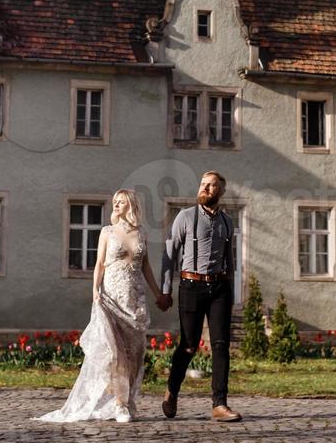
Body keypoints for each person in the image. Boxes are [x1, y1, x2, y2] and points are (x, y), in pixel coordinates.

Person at [37, 189, 170, 423]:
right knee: (116, 354)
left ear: (131, 205)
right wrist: (94, 291)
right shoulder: (107, 232)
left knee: (135, 354)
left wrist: (157, 293)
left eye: (121, 202)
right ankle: (121, 406)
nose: (116, 205)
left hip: (135, 299)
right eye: (115, 202)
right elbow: (99, 264)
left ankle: (128, 400)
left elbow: (145, 266)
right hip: (110, 297)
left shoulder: (142, 233)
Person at [159, 171, 241, 422]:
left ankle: (219, 404)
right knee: (189, 345)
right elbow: (169, 255)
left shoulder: (227, 222)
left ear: (221, 192)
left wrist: (231, 293)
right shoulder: (184, 217)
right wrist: (165, 291)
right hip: (191, 285)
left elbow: (230, 260)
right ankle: (172, 391)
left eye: (211, 185)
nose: (205, 188)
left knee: (220, 345)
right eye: (203, 184)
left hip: (219, 289)